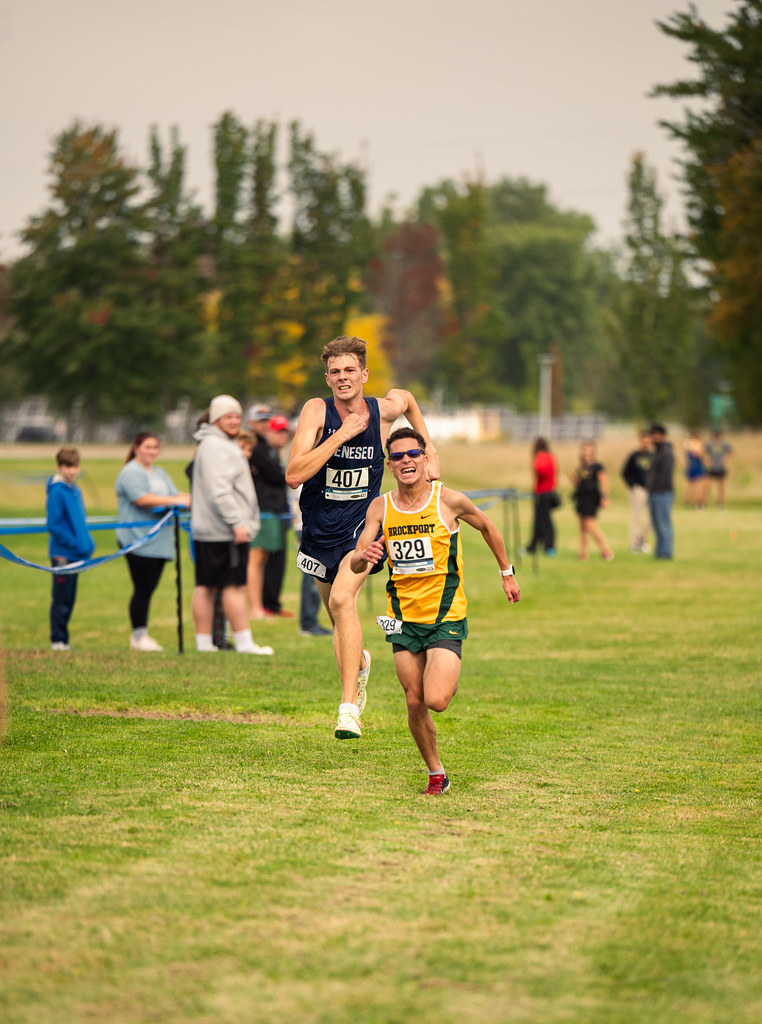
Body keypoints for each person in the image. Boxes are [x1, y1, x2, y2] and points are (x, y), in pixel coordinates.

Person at [286, 334, 440, 740]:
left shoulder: (382, 411)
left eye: (350, 370)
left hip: (364, 525)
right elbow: (294, 474)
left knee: (342, 600)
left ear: (364, 374)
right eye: (335, 371)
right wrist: (340, 435)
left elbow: (406, 398)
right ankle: (361, 664)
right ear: (327, 378)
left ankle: (348, 709)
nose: (343, 377)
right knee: (338, 617)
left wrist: (430, 450)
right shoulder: (316, 411)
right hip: (319, 527)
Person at [350, 428, 520, 795]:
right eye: (397, 456)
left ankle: (445, 673)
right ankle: (436, 773)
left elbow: (487, 526)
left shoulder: (449, 500)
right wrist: (365, 555)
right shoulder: (381, 507)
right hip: (402, 619)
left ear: (426, 459)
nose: (406, 461)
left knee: (436, 700)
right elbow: (355, 560)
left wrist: (506, 573)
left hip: (445, 616)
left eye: (413, 454)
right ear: (390, 466)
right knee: (414, 701)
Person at [190, 395, 273, 655]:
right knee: (232, 586)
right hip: (223, 530)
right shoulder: (217, 446)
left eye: (237, 416)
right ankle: (244, 642)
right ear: (216, 419)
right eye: (228, 416)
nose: (235, 421)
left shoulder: (215, 443)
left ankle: (205, 643)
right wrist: (237, 522)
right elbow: (220, 490)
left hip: (213, 529)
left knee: (207, 585)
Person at [115, 432, 190, 651]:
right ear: (136, 448)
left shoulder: (159, 472)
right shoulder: (130, 472)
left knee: (149, 587)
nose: (152, 451)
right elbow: (142, 499)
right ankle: (139, 637)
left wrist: (190, 498)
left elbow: (176, 494)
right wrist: (175, 500)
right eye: (147, 447)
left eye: (155, 447)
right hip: (137, 539)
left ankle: (141, 635)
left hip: (160, 541)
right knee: (143, 588)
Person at [46, 446, 95, 651]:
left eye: (75, 466)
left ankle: (63, 640)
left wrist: (87, 544)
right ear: (59, 467)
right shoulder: (57, 491)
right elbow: (54, 526)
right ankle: (58, 640)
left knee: (70, 598)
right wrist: (75, 544)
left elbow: (79, 523)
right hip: (62, 555)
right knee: (61, 598)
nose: (72, 471)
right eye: (67, 466)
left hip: (76, 554)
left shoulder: (75, 489)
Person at [247, 415, 293, 620]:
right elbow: (279, 476)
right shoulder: (260, 450)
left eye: (284, 432)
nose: (282, 436)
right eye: (277, 431)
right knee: (257, 559)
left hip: (275, 512)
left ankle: (267, 605)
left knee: (269, 560)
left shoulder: (273, 453)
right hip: (264, 511)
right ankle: (256, 608)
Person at [570, 440, 613, 561]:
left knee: (590, 524)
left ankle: (605, 550)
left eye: (589, 450)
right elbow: (580, 482)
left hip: (592, 497)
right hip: (581, 497)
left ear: (593, 452)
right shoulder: (581, 467)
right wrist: (574, 480)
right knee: (582, 527)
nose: (586, 452)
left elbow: (604, 481)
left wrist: (605, 497)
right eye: (584, 450)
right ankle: (583, 553)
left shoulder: (597, 466)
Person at [525, 437, 558, 557]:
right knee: (538, 521)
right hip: (549, 491)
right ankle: (533, 546)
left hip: (543, 493)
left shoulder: (541, 456)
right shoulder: (550, 456)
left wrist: (536, 470)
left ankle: (549, 546)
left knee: (545, 521)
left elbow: (541, 470)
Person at [621, 429, 652, 553]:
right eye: (644, 441)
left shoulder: (653, 456)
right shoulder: (634, 456)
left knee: (653, 518)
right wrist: (632, 485)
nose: (646, 444)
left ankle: (641, 540)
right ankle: (634, 544)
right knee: (636, 517)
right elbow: (625, 472)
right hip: (638, 489)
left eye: (648, 441)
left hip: (651, 489)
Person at [647, 422, 675, 559]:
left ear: (663, 436)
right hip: (654, 493)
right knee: (657, 525)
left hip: (662, 493)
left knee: (664, 524)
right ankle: (659, 552)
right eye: (653, 435)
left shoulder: (667, 453)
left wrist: (655, 488)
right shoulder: (656, 453)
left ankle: (666, 553)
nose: (655, 437)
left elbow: (664, 475)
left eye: (658, 435)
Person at [704, 428, 733, 509]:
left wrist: (727, 460)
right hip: (711, 468)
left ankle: (721, 503)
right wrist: (707, 461)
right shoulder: (709, 444)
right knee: (707, 486)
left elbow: (731, 453)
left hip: (721, 468)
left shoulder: (725, 444)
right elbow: (703, 453)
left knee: (721, 487)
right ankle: (704, 503)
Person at [683, 430, 708, 508]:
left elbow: (686, 454)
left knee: (690, 486)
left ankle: (688, 503)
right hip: (697, 466)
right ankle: (699, 504)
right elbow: (701, 455)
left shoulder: (687, 443)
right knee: (698, 486)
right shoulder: (698, 443)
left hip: (690, 466)